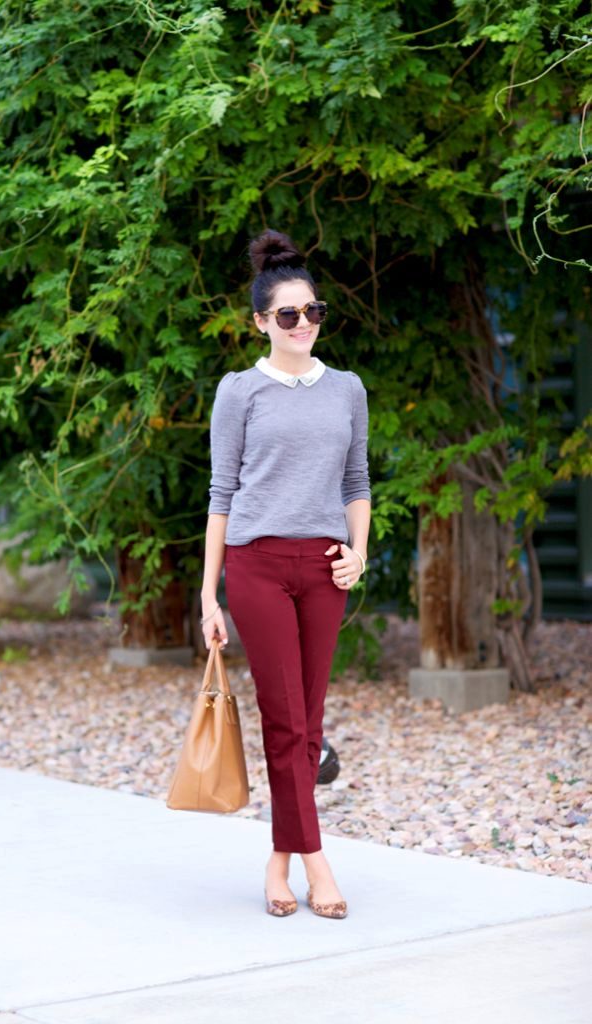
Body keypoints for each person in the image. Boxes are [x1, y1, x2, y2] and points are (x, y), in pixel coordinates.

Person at [200, 229, 371, 919]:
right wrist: (208, 596)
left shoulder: (347, 389)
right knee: (285, 718)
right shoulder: (240, 391)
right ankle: (317, 864)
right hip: (257, 567)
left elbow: (356, 482)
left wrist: (359, 551)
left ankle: (278, 861)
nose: (304, 324)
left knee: (309, 720)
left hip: (325, 568)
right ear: (261, 323)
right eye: (289, 314)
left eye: (313, 311)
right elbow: (221, 494)